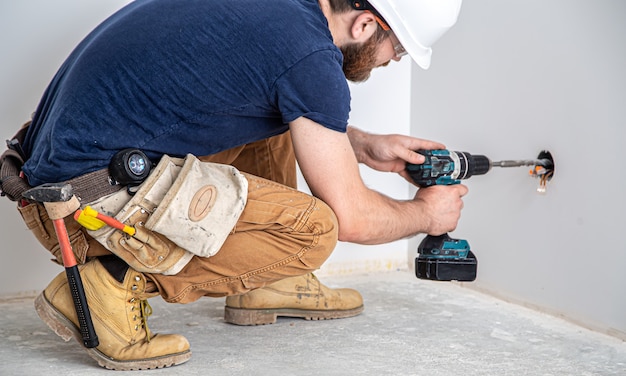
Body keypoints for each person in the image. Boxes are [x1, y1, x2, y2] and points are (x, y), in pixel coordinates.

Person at [0, 0, 466, 370]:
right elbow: (353, 218)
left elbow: (283, 99)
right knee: (316, 230)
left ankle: (268, 284)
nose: (392, 62)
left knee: (280, 124)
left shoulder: (284, 14)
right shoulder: (310, 57)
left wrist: (361, 145)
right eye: (398, 50)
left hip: (50, 180)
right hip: (85, 212)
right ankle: (109, 283)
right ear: (366, 25)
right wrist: (428, 214)